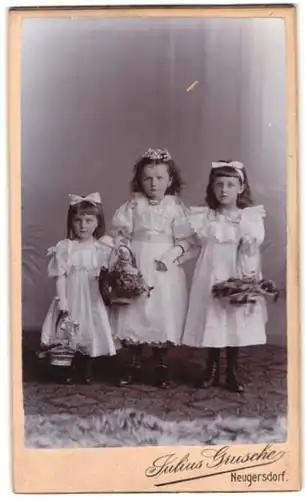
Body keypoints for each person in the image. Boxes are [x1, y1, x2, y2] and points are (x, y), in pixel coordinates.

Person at [181, 161, 267, 393]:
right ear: (212, 188)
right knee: (212, 319)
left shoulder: (248, 218)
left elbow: (252, 249)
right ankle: (210, 368)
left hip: (236, 272)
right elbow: (192, 244)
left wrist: (249, 244)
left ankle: (232, 370)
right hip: (210, 272)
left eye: (230, 184)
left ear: (241, 187)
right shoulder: (205, 217)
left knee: (233, 319)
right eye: (219, 184)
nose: (224, 190)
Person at [110, 148, 191, 388]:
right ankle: (133, 360)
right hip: (137, 261)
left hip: (163, 266)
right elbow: (120, 235)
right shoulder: (133, 206)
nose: (153, 184)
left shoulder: (176, 207)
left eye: (159, 178)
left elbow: (187, 241)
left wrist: (171, 255)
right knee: (134, 309)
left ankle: (160, 363)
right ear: (139, 180)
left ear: (170, 180)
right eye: (147, 178)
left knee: (160, 309)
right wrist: (124, 256)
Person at [40, 192, 116, 383]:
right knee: (70, 329)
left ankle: (88, 365)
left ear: (98, 222)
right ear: (71, 223)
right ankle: (69, 366)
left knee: (92, 325)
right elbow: (61, 276)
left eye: (89, 220)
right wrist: (63, 301)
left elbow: (111, 273)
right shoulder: (66, 248)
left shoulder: (103, 247)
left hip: (93, 294)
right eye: (78, 221)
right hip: (73, 294)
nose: (83, 225)